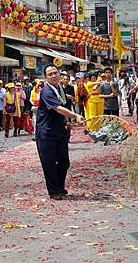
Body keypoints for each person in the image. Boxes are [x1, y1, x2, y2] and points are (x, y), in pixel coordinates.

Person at [35, 64, 85, 200]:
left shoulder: (60, 89)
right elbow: (57, 108)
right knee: (49, 163)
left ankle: (59, 187)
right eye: (50, 74)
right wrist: (75, 116)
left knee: (64, 161)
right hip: (46, 132)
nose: (53, 76)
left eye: (55, 73)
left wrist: (67, 122)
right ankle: (54, 191)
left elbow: (61, 110)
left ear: (59, 74)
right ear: (46, 77)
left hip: (60, 130)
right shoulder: (46, 91)